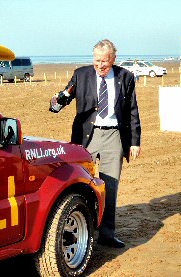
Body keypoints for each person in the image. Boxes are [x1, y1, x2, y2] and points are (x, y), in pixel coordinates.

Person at [49, 39, 141, 248]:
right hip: (86, 137)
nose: (100, 65)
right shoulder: (81, 75)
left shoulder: (125, 77)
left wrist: (134, 142)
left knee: (109, 187)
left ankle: (107, 234)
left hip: (113, 137)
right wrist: (56, 102)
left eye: (105, 62)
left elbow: (132, 111)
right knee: (79, 185)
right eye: (97, 61)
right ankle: (82, 229)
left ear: (113, 59)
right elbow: (63, 99)